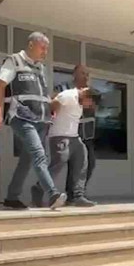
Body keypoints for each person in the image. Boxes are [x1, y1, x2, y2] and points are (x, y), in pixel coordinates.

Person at [0, 32, 67, 210]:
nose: (45, 52)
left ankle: (12, 197)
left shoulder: (40, 68)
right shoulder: (14, 61)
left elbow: (40, 95)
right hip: (21, 117)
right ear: (31, 45)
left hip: (41, 120)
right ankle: (53, 194)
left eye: (47, 49)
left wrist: (51, 108)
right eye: (43, 48)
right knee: (39, 155)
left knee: (26, 160)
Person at [31, 65, 97, 208]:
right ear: (85, 96)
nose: (89, 106)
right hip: (59, 136)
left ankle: (78, 195)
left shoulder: (81, 99)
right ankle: (39, 188)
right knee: (58, 163)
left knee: (83, 160)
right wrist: (51, 116)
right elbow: (52, 105)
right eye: (89, 102)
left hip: (74, 137)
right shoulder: (67, 95)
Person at [55, 70, 99, 200]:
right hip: (66, 131)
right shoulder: (63, 88)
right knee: (59, 163)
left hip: (86, 135)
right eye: (83, 73)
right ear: (75, 75)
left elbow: (94, 107)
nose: (86, 76)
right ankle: (43, 189)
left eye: (87, 74)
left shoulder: (91, 92)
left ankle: (77, 194)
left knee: (88, 163)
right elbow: (55, 101)